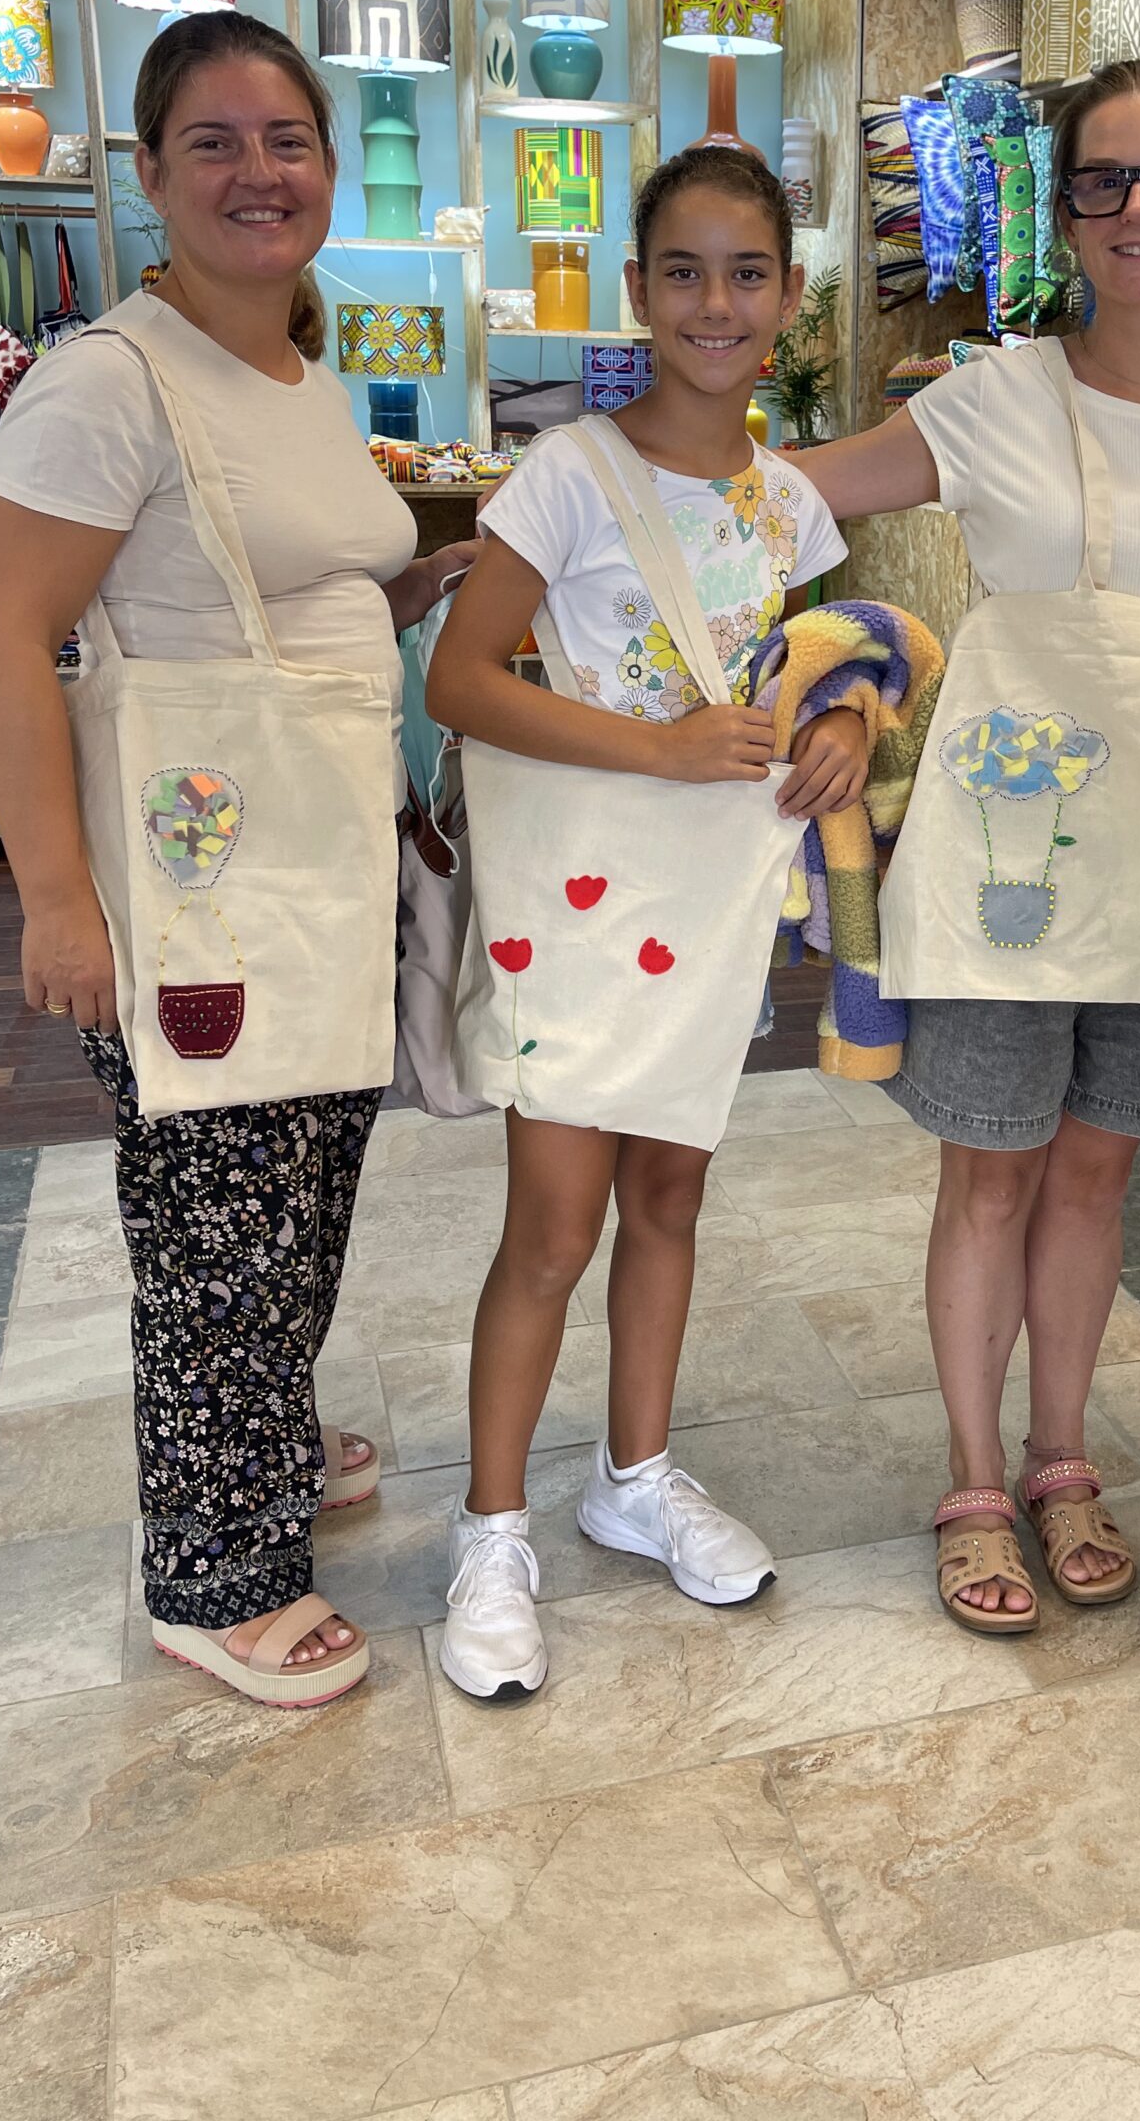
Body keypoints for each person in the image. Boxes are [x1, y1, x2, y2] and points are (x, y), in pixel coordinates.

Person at [0, 12, 475, 1708]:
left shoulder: (296, 374)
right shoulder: (107, 382)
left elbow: (278, 597)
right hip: (198, 879)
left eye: (288, 140)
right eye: (215, 142)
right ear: (150, 171)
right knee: (218, 1226)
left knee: (299, 1181)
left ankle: (259, 1435)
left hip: (312, 856)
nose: (260, 173)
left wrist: (413, 592)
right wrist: (56, 900)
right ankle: (213, 1568)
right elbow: (8, 640)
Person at [792, 57, 1140, 1635]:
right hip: (1006, 856)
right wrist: (560, 521)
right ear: (1063, 211)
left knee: (1093, 1172)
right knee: (991, 1173)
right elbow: (775, 505)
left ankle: (1062, 1458)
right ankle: (970, 1477)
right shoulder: (994, 399)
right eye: (1104, 179)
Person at [421, 146, 858, 1703]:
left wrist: (844, 724)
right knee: (554, 1224)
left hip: (710, 901)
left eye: (747, 274)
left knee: (670, 1195)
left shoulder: (791, 503)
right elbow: (459, 679)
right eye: (684, 272)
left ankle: (635, 1474)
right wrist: (661, 750)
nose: (715, 304)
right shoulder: (568, 472)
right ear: (638, 291)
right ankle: (490, 1530)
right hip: (580, 897)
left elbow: (822, 662)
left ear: (789, 298)